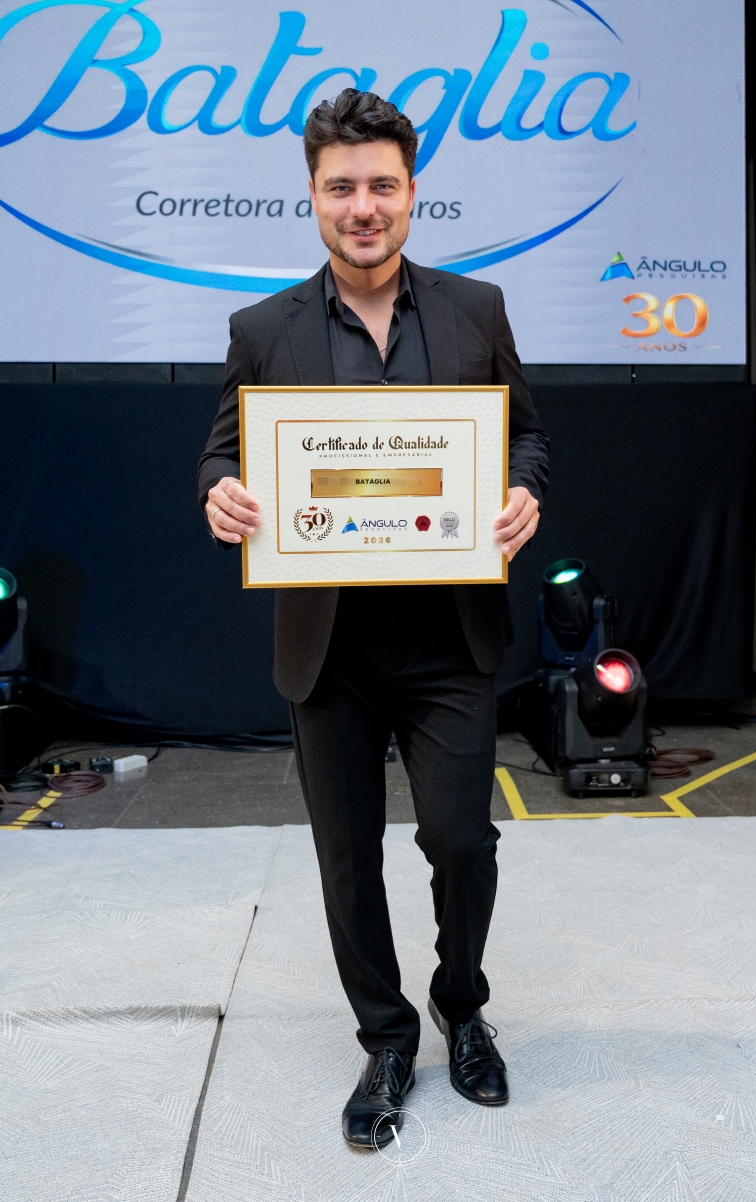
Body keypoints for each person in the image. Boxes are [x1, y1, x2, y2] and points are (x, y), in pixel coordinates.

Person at [198, 89, 549, 1148]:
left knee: (462, 841)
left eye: (381, 185)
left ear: (410, 191)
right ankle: (387, 1036)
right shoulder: (263, 329)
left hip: (450, 637)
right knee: (346, 856)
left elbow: (525, 436)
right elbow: (224, 453)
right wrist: (220, 494)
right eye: (341, 187)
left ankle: (460, 1004)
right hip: (330, 645)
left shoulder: (476, 308)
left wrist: (523, 490)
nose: (363, 206)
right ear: (312, 195)